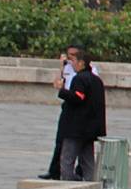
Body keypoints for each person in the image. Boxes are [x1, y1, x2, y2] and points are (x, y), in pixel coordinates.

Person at [39, 44, 99, 180]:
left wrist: (62, 91)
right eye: (68, 55)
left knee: (72, 153)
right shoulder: (68, 67)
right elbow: (59, 81)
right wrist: (61, 66)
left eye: (73, 56)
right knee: (63, 143)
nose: (70, 59)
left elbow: (79, 96)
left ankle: (72, 178)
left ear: (81, 60)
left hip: (79, 116)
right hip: (70, 108)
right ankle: (55, 171)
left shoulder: (86, 75)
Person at [54, 51, 106, 181]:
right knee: (88, 161)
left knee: (67, 160)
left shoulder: (80, 78)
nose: (72, 64)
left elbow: (78, 97)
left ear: (82, 63)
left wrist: (62, 90)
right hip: (90, 129)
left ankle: (68, 185)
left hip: (76, 128)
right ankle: (91, 185)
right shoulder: (97, 80)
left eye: (74, 61)